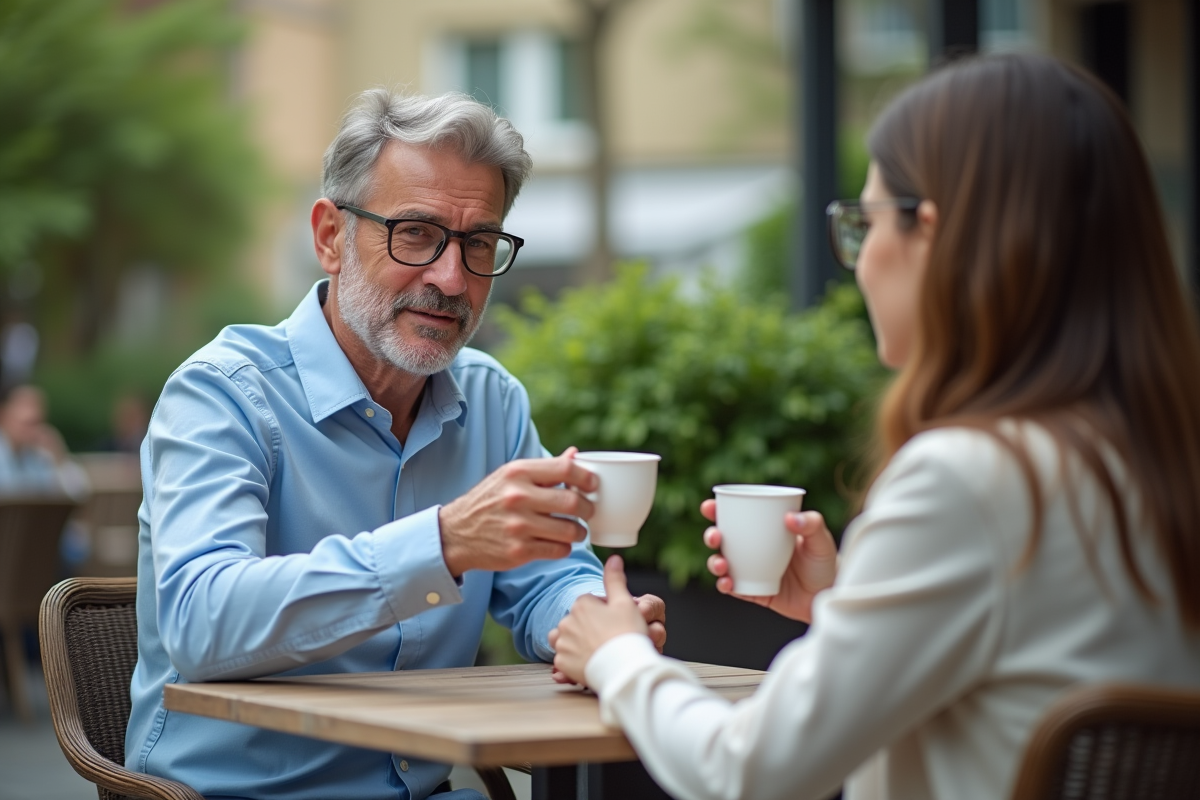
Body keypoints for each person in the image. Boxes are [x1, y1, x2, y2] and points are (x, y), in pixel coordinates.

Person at [549, 53, 1200, 800]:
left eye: (863, 224)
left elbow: (747, 770)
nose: (858, 265)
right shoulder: (1154, 467)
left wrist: (621, 656)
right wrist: (848, 601)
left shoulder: (968, 478)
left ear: (931, 234)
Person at [126, 90, 666, 800]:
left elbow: (546, 578)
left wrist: (594, 620)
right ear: (330, 237)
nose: (450, 278)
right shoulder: (223, 393)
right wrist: (440, 544)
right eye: (416, 232)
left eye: (479, 244)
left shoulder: (492, 399)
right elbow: (203, 620)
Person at [0, 384, 88, 499]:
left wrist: (59, 457)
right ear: (3, 413)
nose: (33, 413)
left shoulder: (41, 455)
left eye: (35, 422)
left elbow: (79, 496)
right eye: (25, 405)